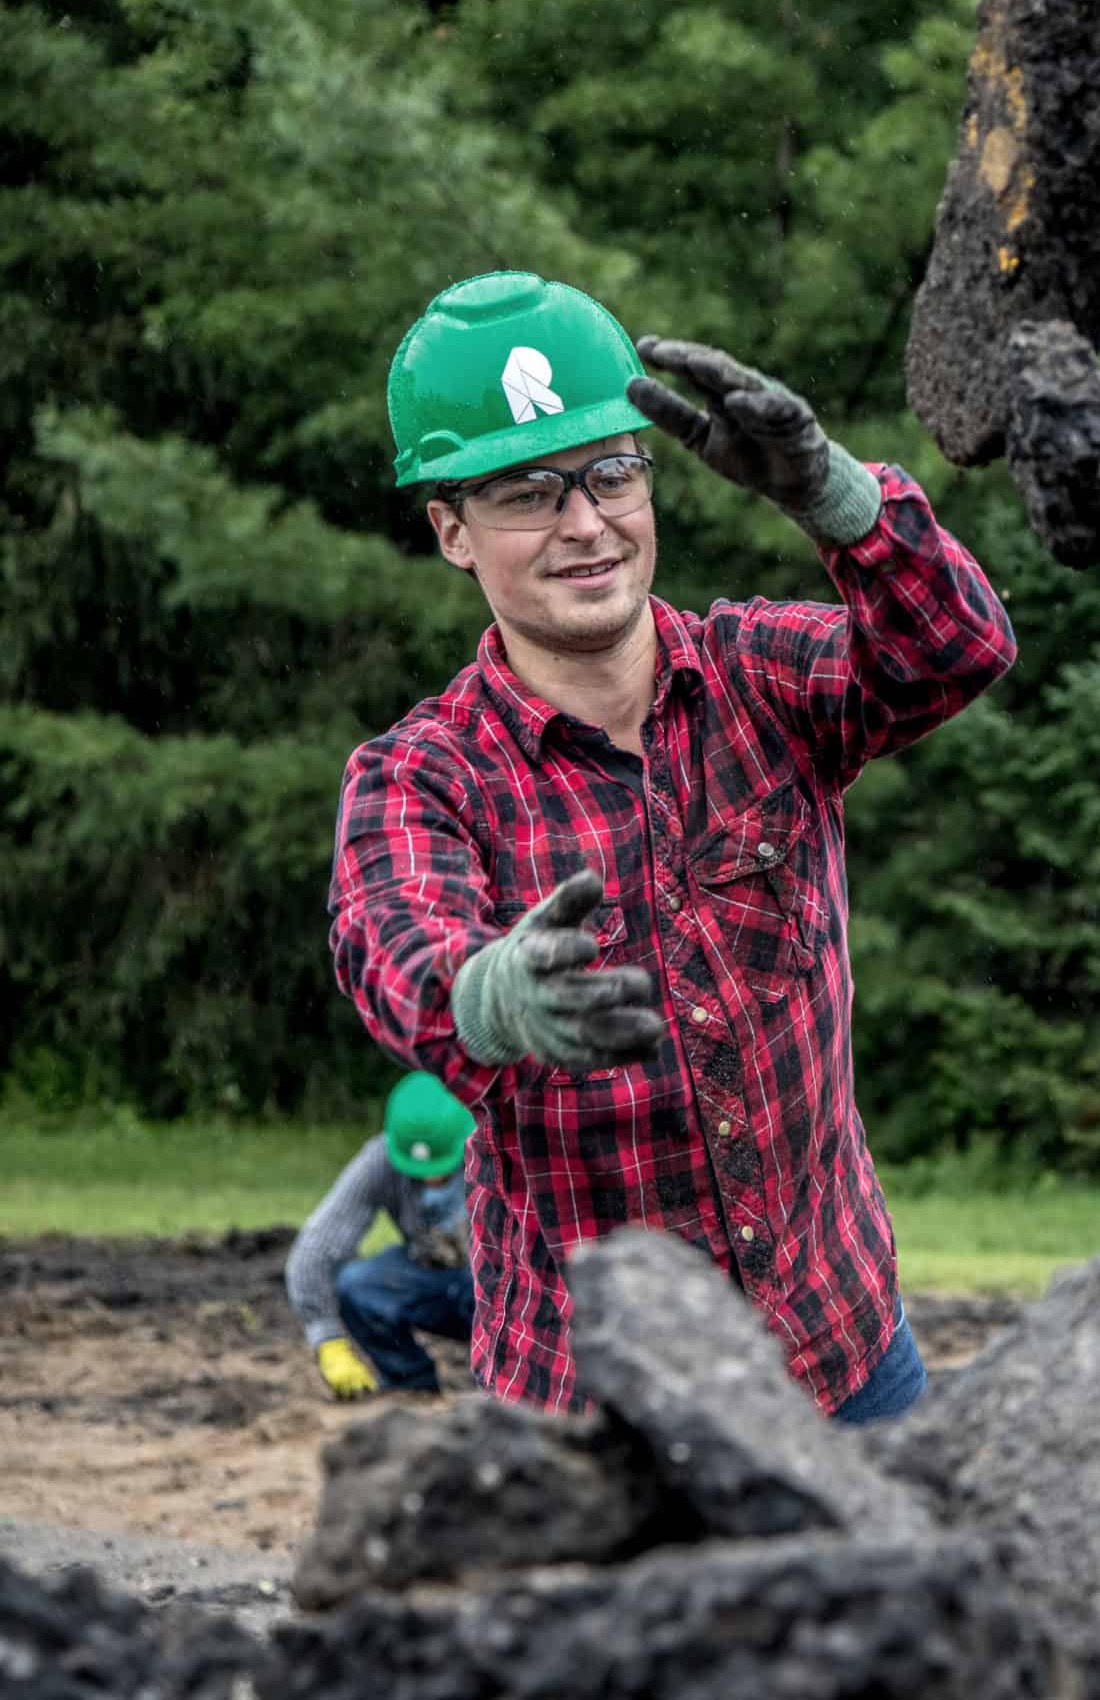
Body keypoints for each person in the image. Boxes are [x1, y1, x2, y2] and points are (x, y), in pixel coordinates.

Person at [329, 271, 1015, 1425]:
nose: (585, 523)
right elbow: (397, 954)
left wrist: (834, 499)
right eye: (525, 493)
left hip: (842, 1353)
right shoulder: (421, 775)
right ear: (451, 529)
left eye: (610, 473)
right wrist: (492, 996)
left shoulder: (761, 680)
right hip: (594, 1406)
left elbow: (958, 647)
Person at [287, 1071, 478, 1401]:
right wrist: (327, 1337)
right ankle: (411, 1385)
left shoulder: (502, 1151)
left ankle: (506, 1385)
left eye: (442, 1168)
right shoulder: (380, 1158)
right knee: (357, 1284)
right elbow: (316, 1247)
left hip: (501, 1288)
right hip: (432, 1276)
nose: (432, 1179)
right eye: (420, 1172)